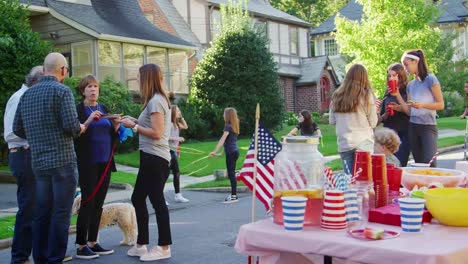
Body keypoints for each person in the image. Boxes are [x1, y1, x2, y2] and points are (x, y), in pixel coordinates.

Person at [13, 52, 84, 264]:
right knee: (61, 214)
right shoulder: (62, 91)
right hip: (63, 162)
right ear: (63, 70)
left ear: (44, 70)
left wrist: (37, 137)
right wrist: (80, 127)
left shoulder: (27, 95)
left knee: (42, 212)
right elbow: (72, 127)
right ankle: (55, 259)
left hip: (39, 163)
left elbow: (17, 128)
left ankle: (41, 258)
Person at [120, 64, 172, 261]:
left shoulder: (156, 101)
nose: (138, 81)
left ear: (147, 79)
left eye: (140, 78)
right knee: (138, 198)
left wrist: (133, 126)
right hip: (150, 157)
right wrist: (133, 120)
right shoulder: (154, 100)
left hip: (156, 158)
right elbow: (151, 125)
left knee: (157, 201)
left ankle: (164, 247)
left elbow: (157, 134)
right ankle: (141, 244)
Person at [74, 75, 120, 259]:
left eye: (95, 86)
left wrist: (116, 126)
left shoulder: (104, 108)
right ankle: (80, 244)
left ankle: (93, 241)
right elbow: (76, 134)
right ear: (83, 91)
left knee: (99, 204)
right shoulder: (79, 110)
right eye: (89, 87)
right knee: (88, 202)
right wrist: (89, 120)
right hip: (88, 163)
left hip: (105, 162)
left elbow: (111, 135)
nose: (93, 89)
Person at [4, 66, 43, 264]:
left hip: (29, 155)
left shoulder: (28, 96)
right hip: (23, 155)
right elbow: (10, 133)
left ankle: (31, 254)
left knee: (34, 208)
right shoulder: (20, 98)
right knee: (28, 207)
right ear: (38, 81)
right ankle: (19, 257)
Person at [390, 49, 444, 166]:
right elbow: (410, 112)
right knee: (419, 163)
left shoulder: (431, 79)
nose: (405, 68)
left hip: (428, 127)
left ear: (415, 62)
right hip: (413, 127)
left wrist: (422, 105)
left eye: (406, 64)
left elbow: (441, 104)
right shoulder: (411, 85)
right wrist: (398, 97)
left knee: (430, 163)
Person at [329, 64, 378, 174]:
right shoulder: (366, 95)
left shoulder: (336, 96)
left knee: (349, 181)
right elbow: (373, 123)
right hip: (364, 143)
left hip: (344, 143)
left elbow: (332, 121)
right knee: (364, 180)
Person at [379, 63, 411, 166]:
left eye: (394, 75)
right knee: (387, 165)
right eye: (389, 76)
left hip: (403, 133)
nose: (391, 78)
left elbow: (410, 112)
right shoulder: (387, 93)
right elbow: (382, 116)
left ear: (401, 76)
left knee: (400, 164)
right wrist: (385, 115)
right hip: (389, 134)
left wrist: (398, 105)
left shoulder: (407, 91)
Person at [209, 108, 240, 203]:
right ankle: (234, 195)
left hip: (231, 153)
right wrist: (221, 153)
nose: (223, 115)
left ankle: (234, 196)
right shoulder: (234, 125)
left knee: (231, 175)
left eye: (224, 114)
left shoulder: (227, 126)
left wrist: (214, 151)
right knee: (232, 174)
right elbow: (229, 141)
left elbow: (222, 140)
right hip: (235, 151)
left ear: (227, 116)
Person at [165, 105, 189, 203]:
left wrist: (181, 117)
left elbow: (186, 126)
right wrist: (177, 139)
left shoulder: (177, 124)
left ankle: (178, 195)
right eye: (178, 110)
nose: (179, 112)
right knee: (165, 175)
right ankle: (162, 197)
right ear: (173, 113)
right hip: (168, 151)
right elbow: (165, 137)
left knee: (176, 173)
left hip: (174, 151)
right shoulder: (169, 125)